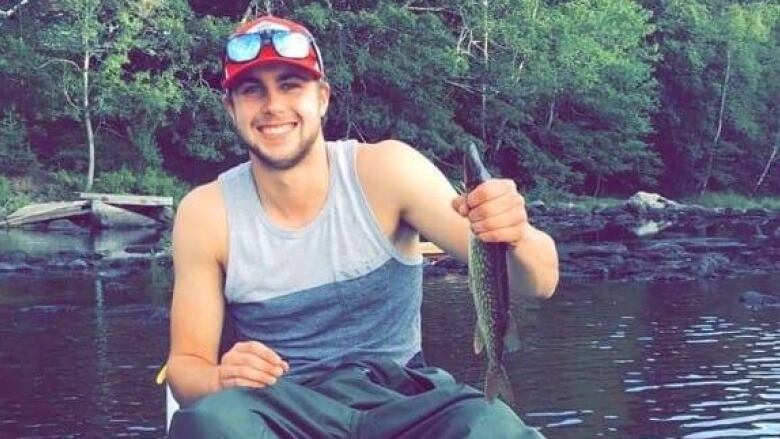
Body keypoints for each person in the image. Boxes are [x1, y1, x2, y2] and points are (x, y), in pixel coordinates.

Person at [166, 14, 559, 439]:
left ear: (322, 98)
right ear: (232, 108)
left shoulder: (388, 171)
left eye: (291, 85)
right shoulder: (206, 213)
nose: (273, 106)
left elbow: (539, 282)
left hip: (405, 401)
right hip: (282, 407)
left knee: (492, 425)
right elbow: (186, 367)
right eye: (251, 90)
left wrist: (515, 234)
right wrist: (219, 379)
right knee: (211, 423)